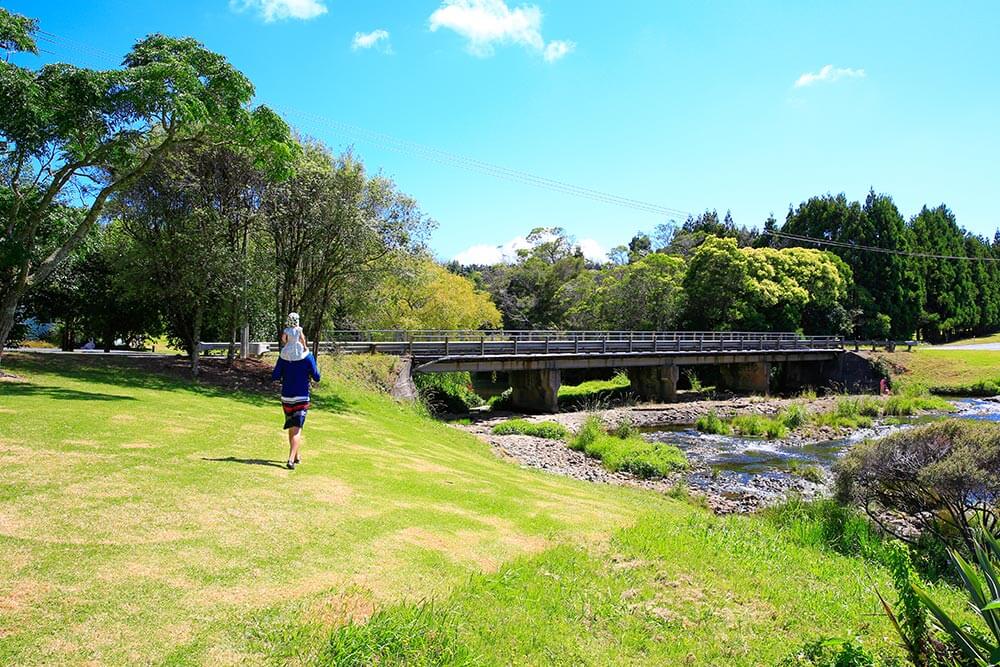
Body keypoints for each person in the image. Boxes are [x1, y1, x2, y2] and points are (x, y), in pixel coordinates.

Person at [271, 344, 321, 470]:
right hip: (302, 396)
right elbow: (317, 377)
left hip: (286, 397)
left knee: (291, 426)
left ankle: (296, 455)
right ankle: (291, 459)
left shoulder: (283, 356)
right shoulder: (308, 357)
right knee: (297, 428)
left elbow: (275, 375)